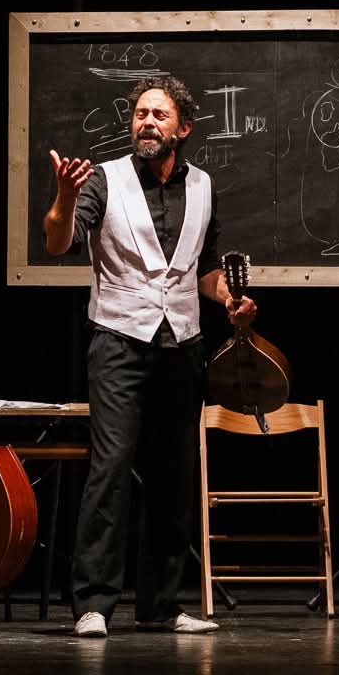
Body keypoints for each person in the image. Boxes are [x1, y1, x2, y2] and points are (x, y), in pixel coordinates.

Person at [44, 74, 256, 637]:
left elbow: (203, 267)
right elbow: (59, 243)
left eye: (159, 115)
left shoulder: (204, 186)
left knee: (173, 474)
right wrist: (64, 198)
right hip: (118, 339)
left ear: (183, 128)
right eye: (141, 114)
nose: (147, 123)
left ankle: (160, 604)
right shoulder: (103, 179)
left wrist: (229, 298)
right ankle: (93, 602)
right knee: (111, 468)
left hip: (182, 343)